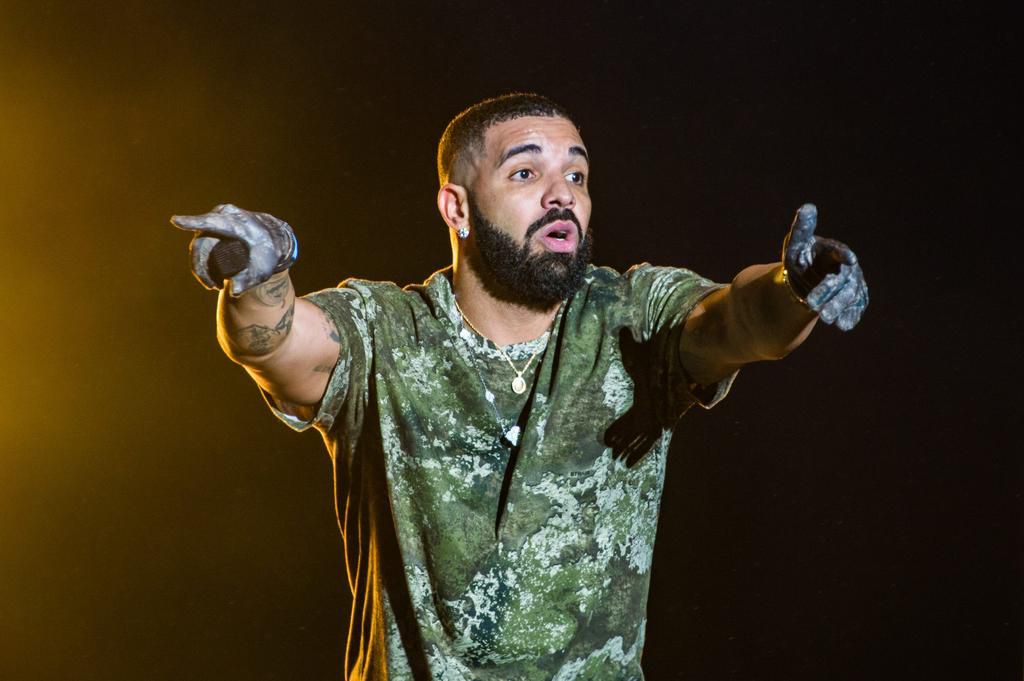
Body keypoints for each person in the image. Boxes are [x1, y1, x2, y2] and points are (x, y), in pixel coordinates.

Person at [172, 93, 867, 680]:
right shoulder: (388, 331)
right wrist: (258, 278)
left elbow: (739, 321)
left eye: (579, 174)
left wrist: (797, 286)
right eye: (527, 171)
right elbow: (280, 347)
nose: (562, 193)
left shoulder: (631, 317)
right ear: (458, 208)